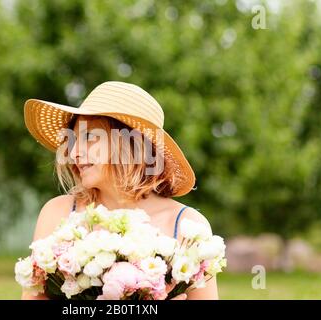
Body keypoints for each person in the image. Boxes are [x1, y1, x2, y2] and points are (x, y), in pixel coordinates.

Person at [21, 81, 218, 300]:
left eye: (88, 138)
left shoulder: (187, 228)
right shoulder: (57, 213)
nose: (74, 152)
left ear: (130, 143)